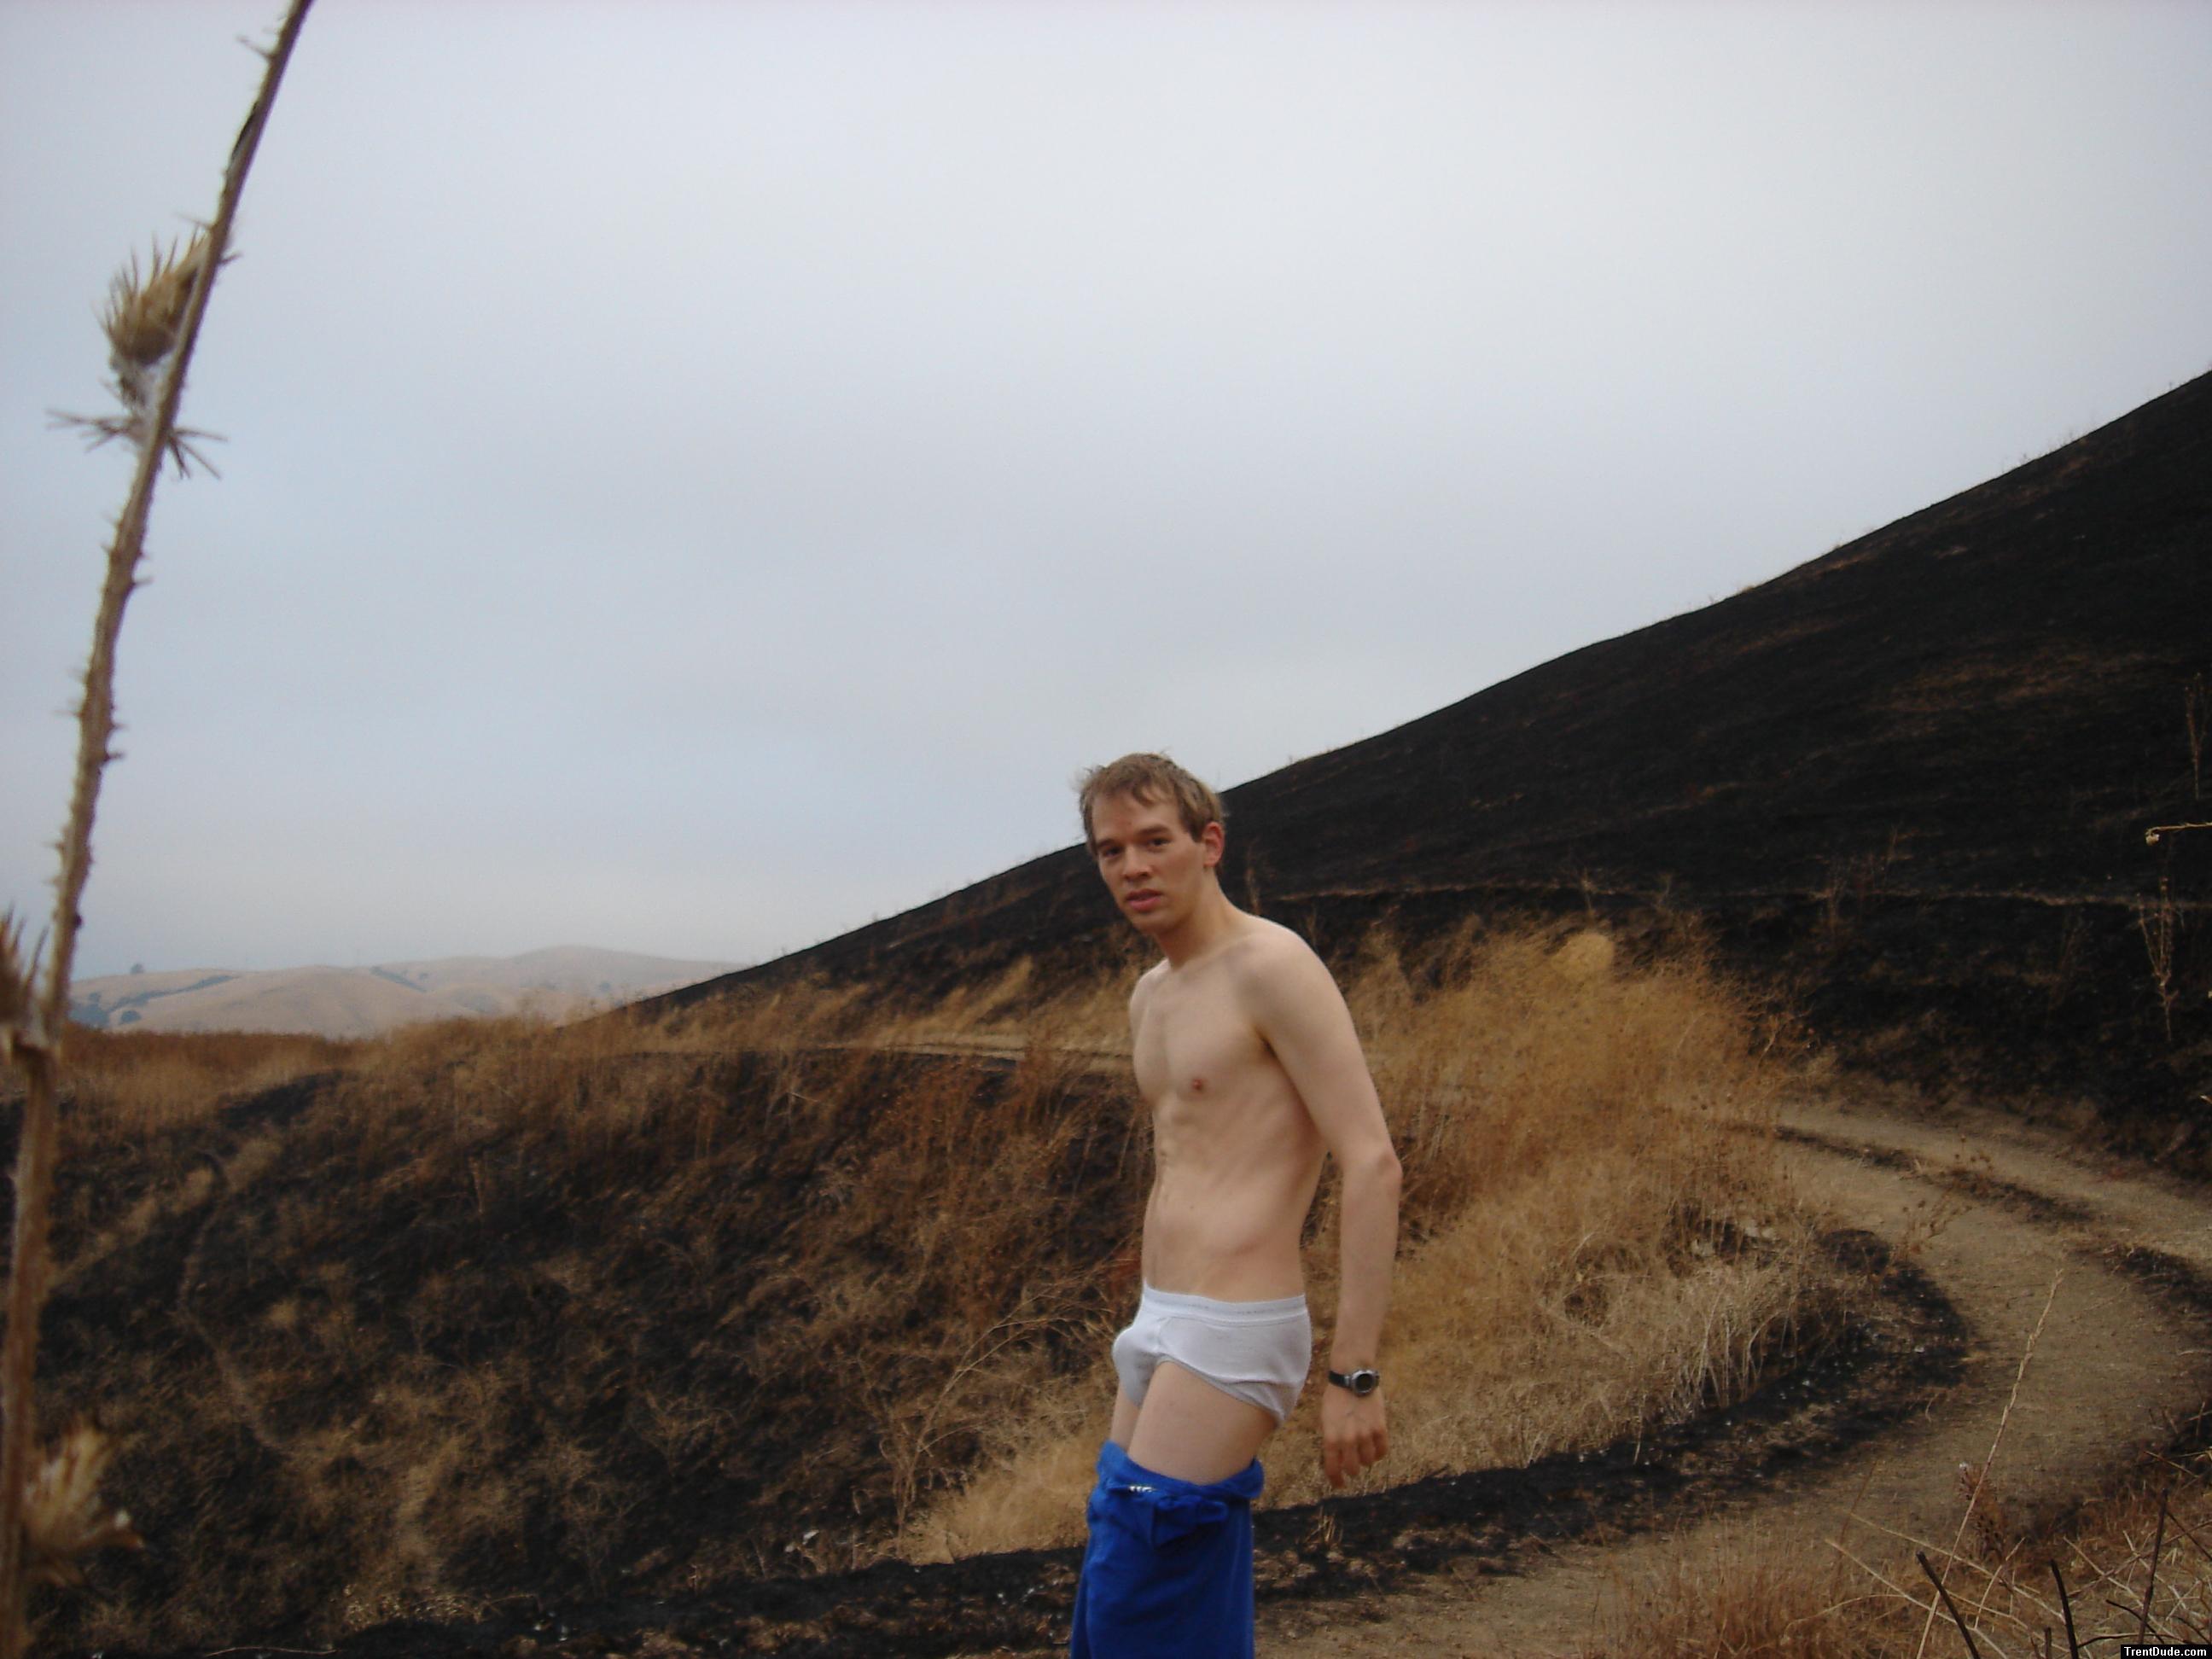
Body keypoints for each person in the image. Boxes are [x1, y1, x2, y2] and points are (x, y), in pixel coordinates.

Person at [1068, 753, 1401, 1658]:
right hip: (1161, 1319)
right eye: (1109, 851)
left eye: (1154, 841)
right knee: (1128, 1571)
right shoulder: (1150, 996)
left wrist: (1354, 1375)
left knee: (1137, 1583)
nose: (1132, 867)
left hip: (1236, 1324)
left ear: (1208, 844)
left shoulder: (1271, 965)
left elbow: (1371, 1160)